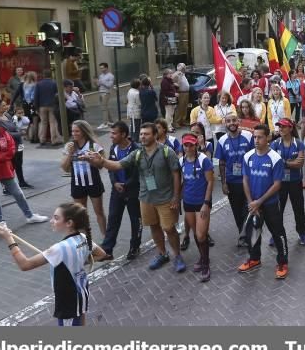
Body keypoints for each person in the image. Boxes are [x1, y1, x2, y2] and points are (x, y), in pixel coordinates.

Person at [89, 123, 185, 273]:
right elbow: (118, 165)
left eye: (146, 134)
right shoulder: (138, 153)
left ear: (154, 135)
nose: (142, 137)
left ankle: (177, 256)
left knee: (169, 228)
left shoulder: (167, 152)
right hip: (146, 198)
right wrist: (101, 161)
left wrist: (176, 197)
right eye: (141, 134)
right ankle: (162, 254)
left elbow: (176, 174)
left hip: (165, 198)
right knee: (154, 226)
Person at [0, 202, 106, 326]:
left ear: (69, 223)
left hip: (67, 300)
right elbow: (101, 254)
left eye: (56, 218)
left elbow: (24, 264)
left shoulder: (58, 249)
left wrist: (9, 239)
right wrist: (75, 262)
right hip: (81, 291)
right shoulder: (83, 238)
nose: (51, 221)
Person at [0, 111, 48, 227]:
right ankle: (1, 222)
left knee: (18, 193)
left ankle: (30, 216)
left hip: (4, 168)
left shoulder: (3, 133)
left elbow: (11, 151)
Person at [238, 124, 289, 279]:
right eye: (254, 137)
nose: (256, 140)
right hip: (253, 205)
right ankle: (254, 258)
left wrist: (259, 202)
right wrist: (251, 203)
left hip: (270, 204)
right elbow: (245, 180)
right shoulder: (248, 156)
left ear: (267, 138)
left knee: (278, 233)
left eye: (260, 137)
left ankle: (282, 262)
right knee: (252, 232)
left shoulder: (275, 158)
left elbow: (277, 185)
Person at [99, 122, 141, 261]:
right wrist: (115, 183)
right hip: (117, 190)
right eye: (111, 133)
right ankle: (107, 250)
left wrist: (126, 184)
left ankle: (135, 246)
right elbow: (111, 168)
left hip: (133, 192)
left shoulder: (137, 149)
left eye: (114, 133)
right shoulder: (113, 148)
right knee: (113, 218)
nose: (111, 136)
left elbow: (137, 173)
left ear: (123, 134)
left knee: (135, 220)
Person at [60, 120, 107, 237]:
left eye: (77, 131)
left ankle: (105, 238)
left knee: (99, 212)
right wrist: (70, 154)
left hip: (93, 182)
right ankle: (86, 240)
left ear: (84, 132)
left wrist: (90, 159)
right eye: (72, 131)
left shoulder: (93, 145)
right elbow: (65, 168)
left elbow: (101, 165)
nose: (74, 134)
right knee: (80, 214)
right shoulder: (69, 146)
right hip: (77, 184)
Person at [216, 112, 254, 248]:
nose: (231, 123)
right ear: (225, 124)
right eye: (228, 121)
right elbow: (221, 163)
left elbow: (254, 157)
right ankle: (242, 233)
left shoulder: (248, 136)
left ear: (238, 121)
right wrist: (223, 183)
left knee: (248, 209)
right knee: (237, 211)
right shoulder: (221, 141)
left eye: (234, 120)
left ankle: (247, 235)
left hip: (247, 180)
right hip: (232, 181)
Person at [179, 133, 214, 282]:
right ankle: (202, 258)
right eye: (186, 145)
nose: (188, 148)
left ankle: (206, 265)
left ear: (196, 145)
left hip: (202, 203)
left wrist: (206, 203)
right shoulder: (181, 161)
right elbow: (182, 182)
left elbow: (211, 182)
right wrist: (178, 199)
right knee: (195, 233)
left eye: (191, 145)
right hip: (188, 202)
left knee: (201, 235)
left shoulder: (204, 160)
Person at [271, 118, 305, 246]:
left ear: (290, 128)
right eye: (279, 126)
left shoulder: (298, 143)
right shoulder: (275, 143)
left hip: (295, 182)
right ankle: (276, 234)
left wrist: (283, 162)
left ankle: (302, 233)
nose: (280, 129)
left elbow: (300, 164)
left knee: (298, 209)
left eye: (284, 126)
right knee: (277, 210)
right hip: (279, 182)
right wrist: (289, 163)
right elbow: (274, 164)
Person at [0, 99, 32, 189]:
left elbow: (14, 127)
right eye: (3, 105)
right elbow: (4, 134)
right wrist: (20, 133)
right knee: (9, 166)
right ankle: (6, 186)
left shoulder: (7, 115)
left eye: (5, 105)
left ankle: (22, 182)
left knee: (19, 163)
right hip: (7, 146)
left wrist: (19, 131)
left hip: (17, 142)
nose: (6, 107)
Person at [34, 69, 62, 145]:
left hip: (42, 106)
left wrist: (36, 107)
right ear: (51, 74)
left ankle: (42, 139)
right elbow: (57, 95)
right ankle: (54, 140)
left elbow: (36, 96)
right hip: (52, 105)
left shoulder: (39, 84)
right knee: (53, 122)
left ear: (43, 75)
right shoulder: (54, 83)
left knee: (43, 123)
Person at [11, 71, 38, 142]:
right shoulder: (35, 85)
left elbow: (16, 94)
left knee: (27, 121)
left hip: (25, 104)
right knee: (34, 121)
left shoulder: (22, 85)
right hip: (33, 105)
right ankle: (35, 137)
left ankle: (27, 136)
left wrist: (12, 102)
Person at [95, 63, 115, 130]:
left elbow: (109, 85)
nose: (101, 69)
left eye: (102, 68)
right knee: (105, 107)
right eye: (100, 68)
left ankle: (105, 123)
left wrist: (102, 82)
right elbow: (98, 85)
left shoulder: (110, 76)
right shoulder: (101, 76)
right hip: (100, 92)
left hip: (106, 93)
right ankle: (111, 121)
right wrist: (97, 82)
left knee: (104, 108)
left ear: (106, 68)